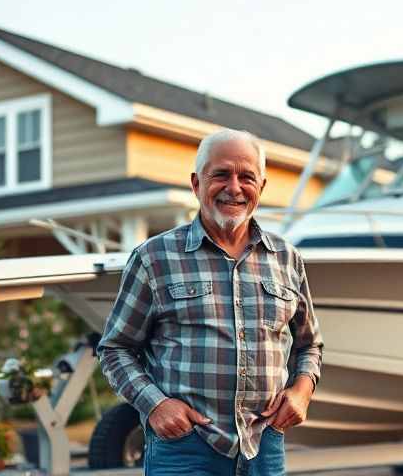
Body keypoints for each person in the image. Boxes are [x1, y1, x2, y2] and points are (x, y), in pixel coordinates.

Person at [97, 128, 323, 476]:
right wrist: (156, 405)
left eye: (247, 176)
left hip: (265, 444)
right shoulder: (153, 257)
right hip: (184, 449)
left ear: (261, 187)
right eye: (221, 174)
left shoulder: (286, 258)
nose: (234, 187)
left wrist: (302, 391)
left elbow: (310, 345)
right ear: (196, 183)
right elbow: (115, 349)